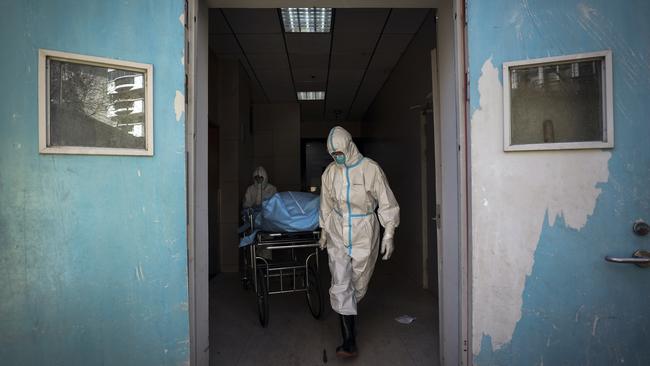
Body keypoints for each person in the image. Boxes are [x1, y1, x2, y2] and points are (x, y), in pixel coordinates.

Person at [318, 126, 400, 358]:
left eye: (340, 153)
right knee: (341, 282)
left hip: (364, 230)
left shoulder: (370, 169)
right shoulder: (330, 173)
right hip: (337, 229)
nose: (337, 157)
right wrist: (324, 231)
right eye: (333, 155)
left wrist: (389, 233)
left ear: (349, 145)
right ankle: (348, 341)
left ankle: (350, 314)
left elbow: (386, 203)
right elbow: (325, 204)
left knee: (359, 282)